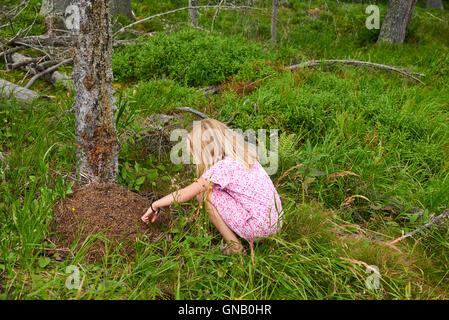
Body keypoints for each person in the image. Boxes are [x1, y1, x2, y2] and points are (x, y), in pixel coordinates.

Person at [141, 118, 282, 255]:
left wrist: (155, 205)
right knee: (213, 189)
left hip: (258, 228)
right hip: (275, 223)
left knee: (203, 194)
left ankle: (236, 248)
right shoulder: (245, 157)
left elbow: (185, 194)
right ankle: (254, 241)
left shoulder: (222, 167)